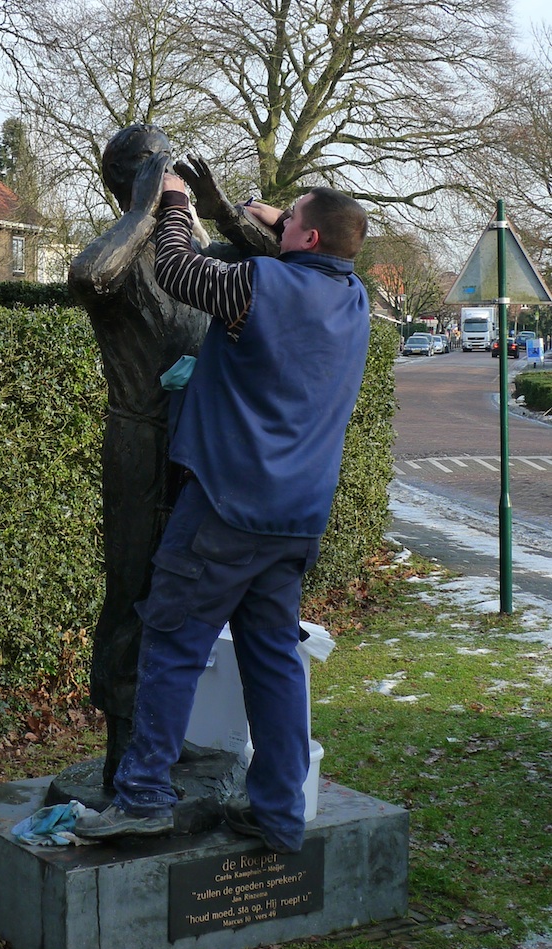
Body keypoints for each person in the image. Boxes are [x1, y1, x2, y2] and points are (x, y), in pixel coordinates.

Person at [75, 157, 371, 853]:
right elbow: (299, 252)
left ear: (305, 239)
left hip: (225, 506)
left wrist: (176, 203)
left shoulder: (260, 285)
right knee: (273, 661)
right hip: (296, 520)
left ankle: (143, 796)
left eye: (289, 217)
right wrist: (249, 215)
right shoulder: (354, 299)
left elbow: (178, 270)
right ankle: (279, 811)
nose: (278, 221)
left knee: (172, 642)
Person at [68, 126, 276, 788]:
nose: (168, 173)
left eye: (169, 162)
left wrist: (220, 210)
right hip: (140, 444)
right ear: (128, 179)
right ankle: (122, 745)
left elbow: (284, 265)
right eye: (153, 164)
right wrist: (142, 209)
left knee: (179, 595)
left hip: (198, 444)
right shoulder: (118, 252)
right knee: (132, 592)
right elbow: (88, 276)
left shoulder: (190, 251)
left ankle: (159, 734)